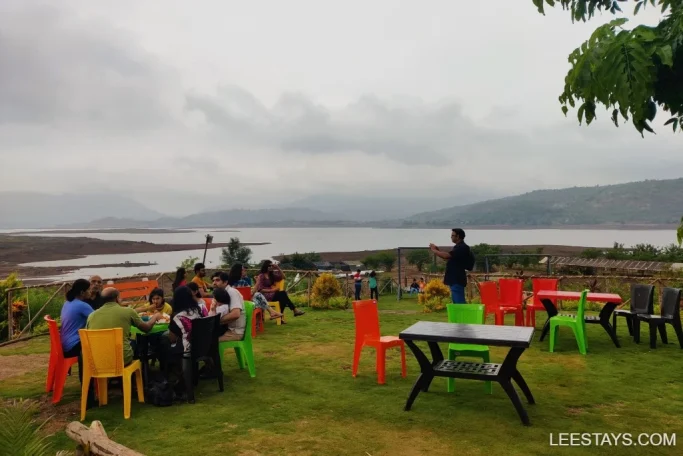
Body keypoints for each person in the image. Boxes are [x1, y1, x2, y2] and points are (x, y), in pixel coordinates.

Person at [86, 288, 163, 366]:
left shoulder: (91, 316)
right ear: (117, 298)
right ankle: (138, 374)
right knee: (134, 344)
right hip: (121, 359)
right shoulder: (127, 311)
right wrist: (155, 317)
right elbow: (146, 329)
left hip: (97, 360)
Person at [59, 279, 96, 406]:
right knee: (98, 347)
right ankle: (90, 393)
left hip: (65, 344)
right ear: (82, 292)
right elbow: (98, 320)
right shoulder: (82, 305)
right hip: (74, 345)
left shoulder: (67, 303)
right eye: (88, 290)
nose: (90, 292)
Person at [429, 228, 475, 304]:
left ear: (458, 236)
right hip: (455, 279)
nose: (451, 237)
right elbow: (451, 259)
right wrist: (438, 251)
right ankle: (459, 315)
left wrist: (434, 250)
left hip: (457, 279)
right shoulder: (458, 247)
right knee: (456, 302)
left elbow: (446, 256)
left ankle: (463, 315)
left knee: (459, 303)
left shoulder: (462, 247)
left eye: (453, 235)